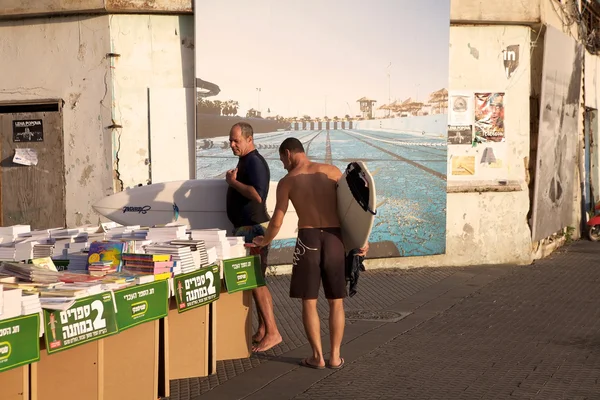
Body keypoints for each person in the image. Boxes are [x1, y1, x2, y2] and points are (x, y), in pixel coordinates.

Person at [253, 137, 368, 370]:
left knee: (309, 301)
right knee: (336, 302)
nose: (283, 165)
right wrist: (362, 240)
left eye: (282, 160)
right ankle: (335, 356)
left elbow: (277, 220)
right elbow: (358, 207)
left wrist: (264, 240)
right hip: (335, 239)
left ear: (288, 153)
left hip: (308, 240)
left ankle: (317, 357)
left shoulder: (287, 182)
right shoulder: (331, 171)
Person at [226, 122, 282, 352]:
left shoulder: (255, 162)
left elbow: (258, 195)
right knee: (255, 282)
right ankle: (262, 329)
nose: (231, 144)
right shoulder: (246, 161)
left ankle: (273, 332)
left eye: (235, 140)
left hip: (252, 229)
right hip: (246, 228)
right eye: (230, 140)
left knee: (257, 283)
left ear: (249, 139)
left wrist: (232, 183)